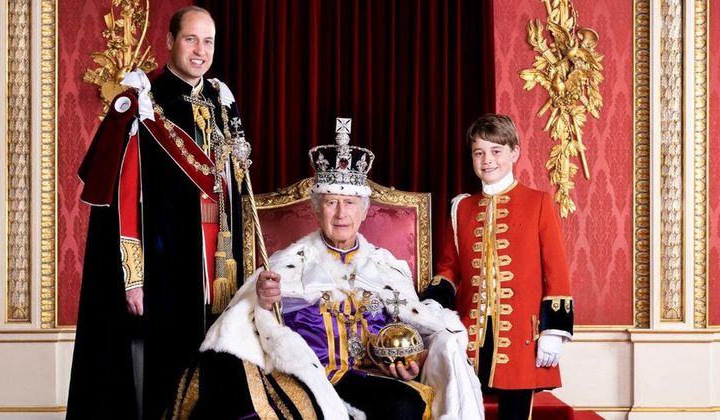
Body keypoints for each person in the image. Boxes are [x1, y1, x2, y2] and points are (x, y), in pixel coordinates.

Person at [169, 119, 484, 419]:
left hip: (371, 376)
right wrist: (266, 303)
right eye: (331, 203)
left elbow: (412, 327)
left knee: (405, 402)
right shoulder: (290, 263)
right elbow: (256, 326)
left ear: (363, 212)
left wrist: (410, 361)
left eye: (349, 204)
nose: (341, 214)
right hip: (311, 377)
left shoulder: (386, 268)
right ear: (317, 210)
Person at [68, 6, 248, 419]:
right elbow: (124, 195)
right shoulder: (141, 102)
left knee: (218, 380)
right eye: (191, 39)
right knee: (167, 383)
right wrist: (133, 279)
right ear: (168, 41)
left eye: (208, 42)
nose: (200, 51)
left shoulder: (223, 103)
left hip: (221, 265)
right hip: (165, 266)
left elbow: (237, 194)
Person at [421, 114, 574, 420]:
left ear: (514, 153)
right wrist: (431, 304)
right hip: (471, 333)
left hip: (522, 336)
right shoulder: (461, 207)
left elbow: (555, 269)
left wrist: (554, 331)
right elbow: (450, 267)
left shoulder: (539, 202)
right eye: (479, 153)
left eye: (496, 151)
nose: (487, 160)